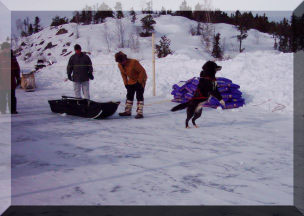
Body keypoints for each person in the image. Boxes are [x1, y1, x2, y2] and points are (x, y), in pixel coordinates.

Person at [115, 51, 147, 119]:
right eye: (120, 61)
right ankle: (127, 111)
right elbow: (123, 74)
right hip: (131, 80)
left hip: (141, 79)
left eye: (122, 61)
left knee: (139, 95)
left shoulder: (133, 62)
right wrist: (126, 83)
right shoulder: (120, 65)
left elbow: (142, 72)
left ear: (125, 58)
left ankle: (139, 113)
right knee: (129, 95)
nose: (122, 62)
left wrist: (139, 82)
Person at [0, 44, 20, 114]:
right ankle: (3, 110)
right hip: (2, 81)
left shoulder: (13, 59)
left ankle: (13, 110)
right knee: (3, 96)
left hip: (11, 81)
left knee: (12, 96)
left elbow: (17, 69)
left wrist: (18, 78)